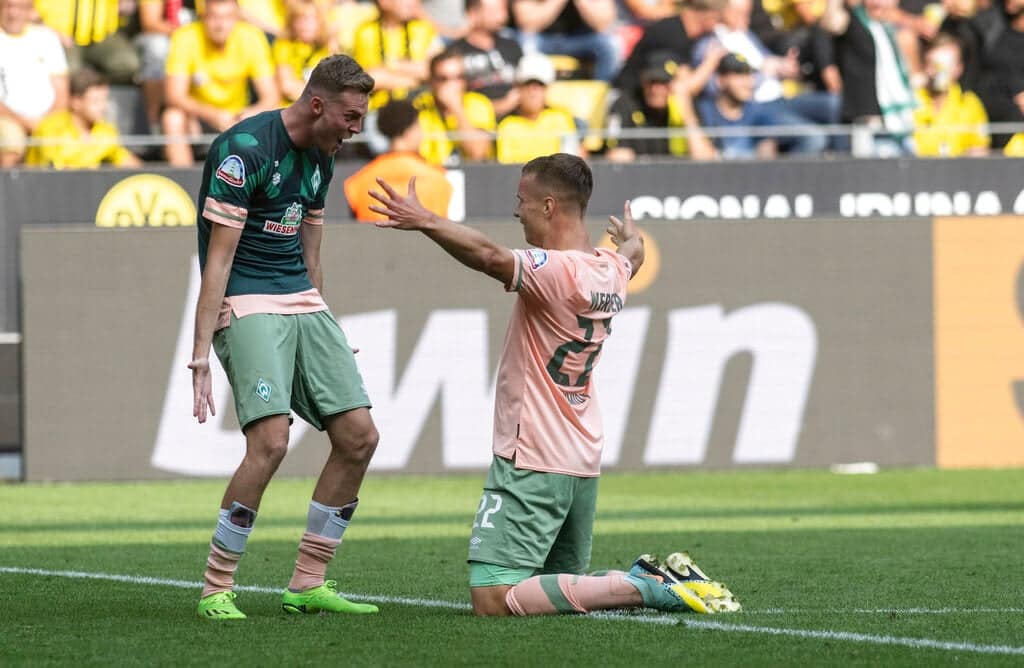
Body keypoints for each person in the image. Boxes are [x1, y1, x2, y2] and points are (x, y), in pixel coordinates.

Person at [366, 152, 741, 618]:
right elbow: (633, 255)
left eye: (521, 200)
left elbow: (489, 256)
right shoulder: (611, 270)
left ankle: (645, 586)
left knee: (494, 597)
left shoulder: (555, 271)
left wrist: (425, 220)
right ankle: (651, 579)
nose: (515, 211)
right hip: (580, 456)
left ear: (548, 206)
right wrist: (633, 240)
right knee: (557, 587)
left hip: (534, 455)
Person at [189, 53, 381, 621]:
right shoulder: (244, 150)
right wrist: (200, 355)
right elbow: (218, 261)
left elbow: (311, 252)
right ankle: (216, 588)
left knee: (359, 436)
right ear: (317, 104)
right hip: (246, 299)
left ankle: (307, 582)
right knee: (271, 442)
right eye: (350, 116)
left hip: (301, 300)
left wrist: (325, 325)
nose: (356, 129)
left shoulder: (324, 153)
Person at [162, 0, 281, 166]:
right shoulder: (185, 36)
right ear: (203, 17)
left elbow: (271, 97)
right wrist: (213, 115)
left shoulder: (252, 37)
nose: (220, 25)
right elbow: (173, 95)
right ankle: (184, 176)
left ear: (237, 18)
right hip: (198, 118)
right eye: (214, 17)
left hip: (238, 116)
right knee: (172, 117)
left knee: (275, 116)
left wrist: (249, 114)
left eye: (227, 17)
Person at [821, 0, 917, 156]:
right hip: (868, 121)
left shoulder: (889, 30)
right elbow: (831, 23)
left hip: (899, 119)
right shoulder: (855, 21)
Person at [343, 98, 453, 221]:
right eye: (419, 127)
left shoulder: (359, 181)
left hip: (375, 233)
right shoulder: (438, 176)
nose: (422, 134)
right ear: (408, 133)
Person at [604, 51, 717, 161]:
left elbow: (704, 158)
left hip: (678, 172)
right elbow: (617, 156)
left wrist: (687, 115)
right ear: (642, 80)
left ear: (676, 85)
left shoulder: (686, 104)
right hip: (640, 172)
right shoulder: (626, 102)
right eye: (651, 81)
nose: (655, 90)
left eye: (663, 82)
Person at [25, 67, 143, 168]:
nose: (103, 107)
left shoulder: (106, 131)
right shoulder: (51, 128)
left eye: (105, 100)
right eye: (96, 101)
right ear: (76, 102)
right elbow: (56, 172)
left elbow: (127, 161)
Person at [0, 0, 68, 167]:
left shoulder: (47, 38)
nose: (13, 13)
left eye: (19, 7)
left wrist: (45, 124)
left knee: (71, 141)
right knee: (11, 141)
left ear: (30, 10)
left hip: (48, 119)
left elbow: (62, 92)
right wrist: (26, 123)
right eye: (8, 6)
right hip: (7, 118)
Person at [697, 52, 805, 159]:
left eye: (749, 75)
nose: (748, 83)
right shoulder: (705, 111)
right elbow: (701, 159)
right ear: (720, 80)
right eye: (739, 75)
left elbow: (767, 159)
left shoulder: (757, 112)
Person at [412, 49, 496, 165]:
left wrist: (456, 107)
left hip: (471, 173)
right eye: (443, 79)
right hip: (430, 172)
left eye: (458, 77)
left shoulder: (478, 104)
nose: (451, 85)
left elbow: (478, 153)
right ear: (431, 81)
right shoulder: (419, 106)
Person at [910, 32, 988, 156]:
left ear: (959, 68)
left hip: (959, 167)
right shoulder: (910, 100)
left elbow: (979, 151)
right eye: (933, 65)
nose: (937, 72)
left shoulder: (969, 103)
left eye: (945, 66)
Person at [495, 54, 580, 163]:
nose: (533, 92)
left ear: (547, 89)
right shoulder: (507, 125)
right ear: (518, 88)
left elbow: (570, 162)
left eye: (539, 85)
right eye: (527, 84)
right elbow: (506, 166)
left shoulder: (561, 118)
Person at [510, 0, 621, 81]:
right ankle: (525, 96)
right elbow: (527, 24)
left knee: (610, 44)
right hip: (541, 39)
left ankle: (606, 97)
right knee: (526, 43)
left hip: (580, 40)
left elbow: (603, 24)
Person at [449, 0, 524, 118]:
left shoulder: (512, 46)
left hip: (515, 123)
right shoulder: (455, 53)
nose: (503, 16)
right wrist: (498, 107)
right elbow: (452, 98)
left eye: (504, 9)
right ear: (473, 13)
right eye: (495, 11)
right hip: (476, 122)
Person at [273, 0, 334, 105]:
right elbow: (288, 87)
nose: (306, 24)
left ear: (320, 22)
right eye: (300, 19)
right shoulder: (284, 45)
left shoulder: (327, 47)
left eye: (312, 19)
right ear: (292, 23)